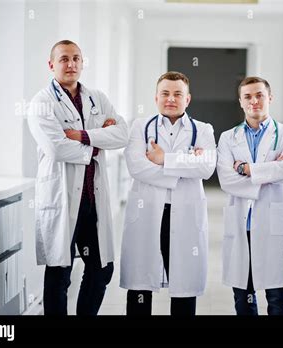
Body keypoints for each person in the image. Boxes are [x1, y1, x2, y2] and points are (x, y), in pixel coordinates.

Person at [27, 40, 128, 315]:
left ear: (82, 63)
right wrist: (99, 143)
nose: (71, 64)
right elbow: (56, 148)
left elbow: (123, 134)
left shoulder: (97, 98)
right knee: (60, 273)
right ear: (51, 65)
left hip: (92, 200)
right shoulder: (41, 103)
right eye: (63, 59)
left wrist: (84, 136)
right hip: (61, 200)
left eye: (76, 58)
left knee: (102, 270)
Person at [119, 71, 216, 316]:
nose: (171, 99)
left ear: (188, 99)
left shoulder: (203, 130)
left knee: (183, 286)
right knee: (141, 285)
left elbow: (206, 167)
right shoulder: (140, 127)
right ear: (156, 97)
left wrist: (163, 159)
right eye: (165, 93)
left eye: (177, 94)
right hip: (147, 212)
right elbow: (137, 168)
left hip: (185, 214)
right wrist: (183, 167)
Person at [217, 76, 283, 315]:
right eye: (248, 97)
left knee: (277, 299)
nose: (254, 101)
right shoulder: (227, 137)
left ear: (269, 98)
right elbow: (226, 180)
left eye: (259, 95)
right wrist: (267, 172)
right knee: (244, 298)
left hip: (272, 223)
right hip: (241, 223)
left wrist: (245, 169)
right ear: (240, 102)